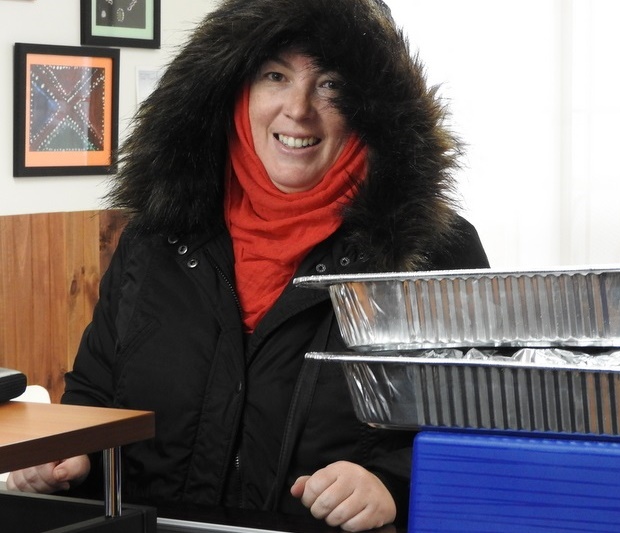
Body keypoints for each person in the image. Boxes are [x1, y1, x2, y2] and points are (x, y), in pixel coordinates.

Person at [7, 0, 489, 530]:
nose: (298, 109)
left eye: (331, 84)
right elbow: (93, 398)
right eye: (274, 75)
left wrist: (393, 482)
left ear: (373, 106)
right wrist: (64, 458)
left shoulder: (434, 254)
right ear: (234, 90)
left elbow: (481, 427)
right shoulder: (154, 237)